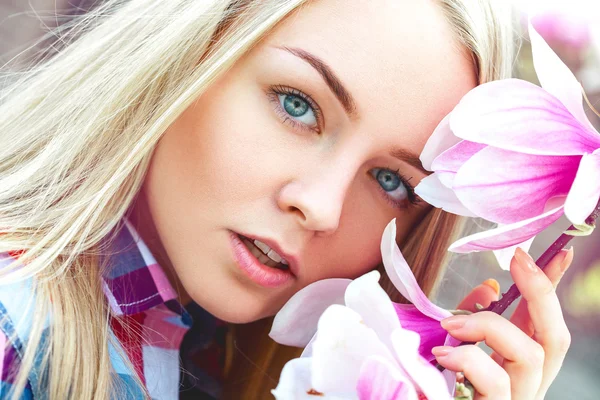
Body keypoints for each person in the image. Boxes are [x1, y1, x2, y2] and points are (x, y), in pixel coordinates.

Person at [0, 0, 572, 399]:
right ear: (188, 53)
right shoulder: (16, 342)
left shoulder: (207, 351)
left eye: (390, 181)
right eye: (297, 105)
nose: (322, 207)